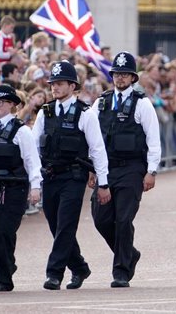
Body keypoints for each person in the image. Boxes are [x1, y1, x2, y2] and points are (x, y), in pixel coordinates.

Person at [31, 60, 111, 290]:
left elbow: (97, 149)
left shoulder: (85, 113)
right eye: (52, 83)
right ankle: (79, 267)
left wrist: (103, 182)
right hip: (50, 177)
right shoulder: (44, 112)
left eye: (60, 83)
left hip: (74, 177)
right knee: (55, 226)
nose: (54, 87)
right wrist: (34, 179)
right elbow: (34, 147)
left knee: (66, 225)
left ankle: (54, 273)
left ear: (72, 85)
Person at [90, 52, 162, 288]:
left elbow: (153, 139)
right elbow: (90, 137)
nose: (119, 78)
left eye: (124, 74)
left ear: (133, 78)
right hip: (105, 169)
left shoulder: (142, 103)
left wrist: (151, 171)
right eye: (116, 74)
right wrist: (91, 168)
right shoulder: (101, 102)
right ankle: (129, 253)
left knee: (123, 219)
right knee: (101, 219)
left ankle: (121, 270)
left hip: (132, 169)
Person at [0, 85, 42, 291]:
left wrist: (35, 187)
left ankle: (4, 278)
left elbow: (32, 161)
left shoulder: (21, 130)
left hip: (14, 188)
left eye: (1, 101)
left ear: (12, 105)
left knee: (4, 231)